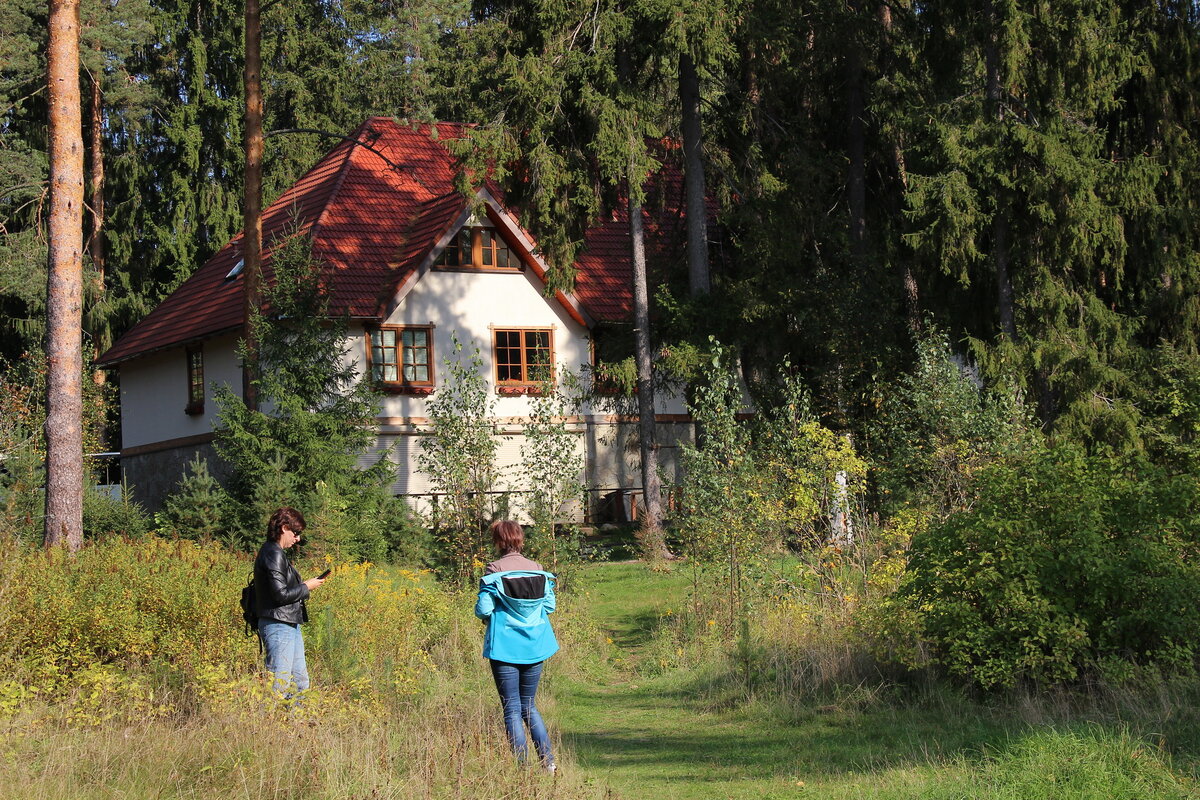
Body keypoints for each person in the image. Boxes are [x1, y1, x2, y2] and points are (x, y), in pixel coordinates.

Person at [475, 520, 559, 771]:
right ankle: (548, 764)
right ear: (520, 539)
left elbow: (483, 608)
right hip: (535, 646)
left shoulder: (494, 570)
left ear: (498, 541)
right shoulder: (538, 570)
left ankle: (521, 768)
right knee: (529, 706)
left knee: (511, 709)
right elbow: (550, 606)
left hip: (504, 648)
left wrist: (493, 616)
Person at [254, 506, 325, 697]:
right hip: (278, 624)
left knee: (300, 682)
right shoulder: (273, 553)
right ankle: (270, 723)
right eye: (296, 533)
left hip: (288, 623)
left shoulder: (274, 552)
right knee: (280, 682)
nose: (298, 539)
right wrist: (306, 587)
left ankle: (297, 724)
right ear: (284, 528)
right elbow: (280, 595)